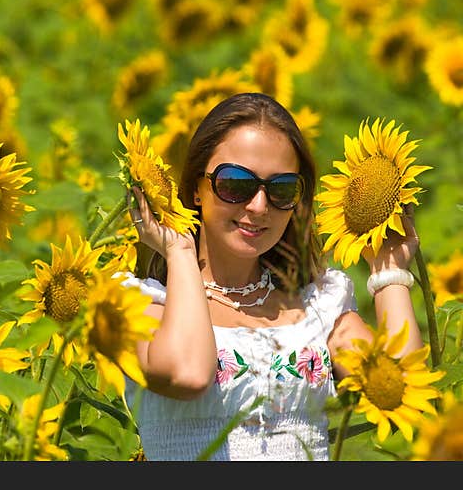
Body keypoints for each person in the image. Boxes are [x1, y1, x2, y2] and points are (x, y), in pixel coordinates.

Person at [120, 92, 423, 460]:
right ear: (197, 189)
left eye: (281, 189)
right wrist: (179, 250)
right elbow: (188, 374)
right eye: (235, 184)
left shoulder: (318, 310)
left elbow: (401, 387)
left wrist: (388, 271)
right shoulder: (143, 305)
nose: (258, 206)